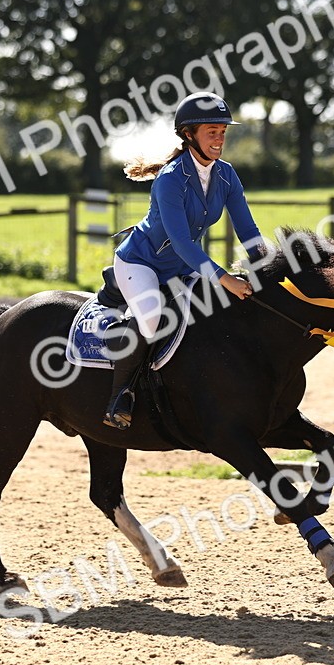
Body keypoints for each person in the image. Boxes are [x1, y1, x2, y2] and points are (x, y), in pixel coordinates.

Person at [102, 91, 265, 429]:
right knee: (150, 320)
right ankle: (120, 396)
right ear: (189, 134)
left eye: (222, 131)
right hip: (141, 264)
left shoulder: (226, 175)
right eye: (211, 131)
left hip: (183, 267)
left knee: (216, 316)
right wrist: (226, 278)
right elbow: (180, 242)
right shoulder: (170, 178)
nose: (219, 139)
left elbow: (247, 229)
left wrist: (270, 266)